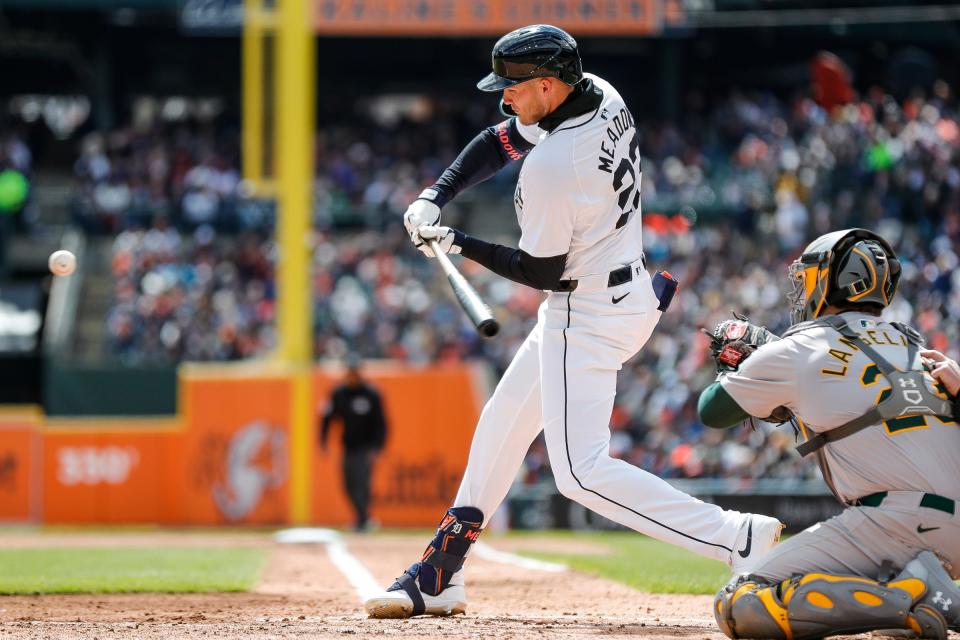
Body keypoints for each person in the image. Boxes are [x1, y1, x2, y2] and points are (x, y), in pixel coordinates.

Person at [364, 24, 782, 619]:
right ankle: (441, 571)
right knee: (503, 422)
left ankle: (734, 537)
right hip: (623, 291)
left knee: (580, 476)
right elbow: (501, 139)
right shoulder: (599, 93)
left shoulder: (559, 166)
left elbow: (542, 272)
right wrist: (438, 194)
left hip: (581, 311)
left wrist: (456, 240)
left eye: (512, 87)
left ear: (546, 85)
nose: (503, 97)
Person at [699, 228, 960, 640]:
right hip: (949, 527)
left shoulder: (799, 347)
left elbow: (711, 411)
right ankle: (931, 595)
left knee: (741, 602)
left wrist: (745, 367)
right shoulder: (915, 344)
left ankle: (912, 596)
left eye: (808, 276)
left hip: (897, 522)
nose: (801, 287)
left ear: (831, 280)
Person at [320, 356, 387, 532]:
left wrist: (377, 446)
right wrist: (323, 440)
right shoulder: (339, 393)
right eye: (350, 372)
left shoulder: (371, 394)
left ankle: (363, 520)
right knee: (348, 485)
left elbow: (381, 423)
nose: (352, 376)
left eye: (355, 372)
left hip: (365, 448)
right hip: (348, 446)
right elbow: (327, 417)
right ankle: (362, 518)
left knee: (361, 483)